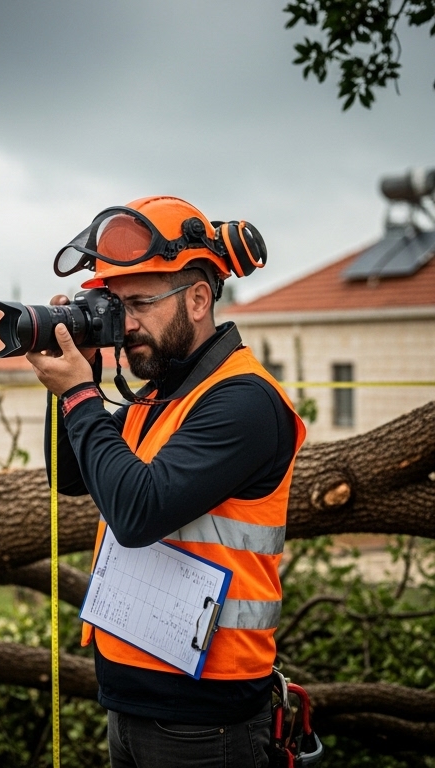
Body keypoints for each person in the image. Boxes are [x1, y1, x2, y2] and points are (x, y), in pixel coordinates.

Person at [24, 196, 306, 767]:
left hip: (207, 725)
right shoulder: (157, 393)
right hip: (131, 702)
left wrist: (80, 394)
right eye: (113, 304)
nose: (124, 324)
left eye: (140, 303)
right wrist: (76, 374)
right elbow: (74, 478)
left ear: (199, 299)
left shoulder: (242, 401)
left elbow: (137, 513)